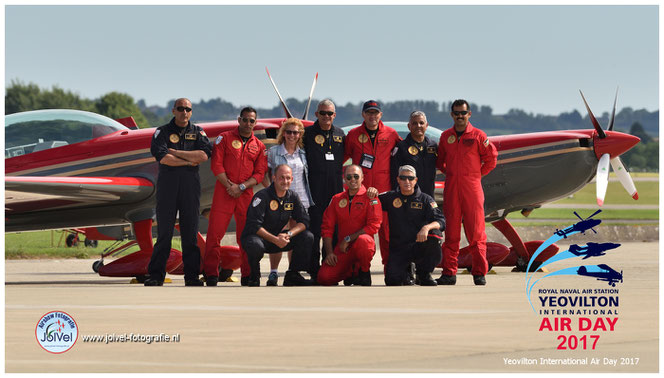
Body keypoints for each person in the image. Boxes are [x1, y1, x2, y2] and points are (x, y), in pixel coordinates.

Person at [146, 98, 212, 286]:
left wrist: (176, 153)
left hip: (190, 186)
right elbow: (164, 158)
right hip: (168, 185)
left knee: (190, 233)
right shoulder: (162, 132)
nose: (185, 112)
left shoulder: (198, 132)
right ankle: (156, 276)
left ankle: (191, 277)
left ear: (191, 112)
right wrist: (189, 160)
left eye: (188, 109)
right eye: (181, 109)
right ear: (173, 110)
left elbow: (204, 155)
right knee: (164, 233)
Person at [203, 107, 268, 287]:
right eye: (245, 120)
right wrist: (229, 186)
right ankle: (211, 274)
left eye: (252, 121)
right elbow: (216, 166)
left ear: (255, 123)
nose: (248, 124)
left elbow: (260, 174)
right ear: (239, 120)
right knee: (215, 235)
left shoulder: (259, 146)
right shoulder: (224, 138)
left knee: (246, 237)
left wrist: (241, 187)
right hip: (224, 192)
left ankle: (248, 274)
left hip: (245, 195)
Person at [436, 99, 497, 286]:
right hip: (452, 188)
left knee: (476, 233)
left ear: (469, 114)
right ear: (451, 115)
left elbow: (491, 159)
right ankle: (449, 273)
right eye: (456, 113)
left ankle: (479, 273)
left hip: (472, 188)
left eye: (463, 113)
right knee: (452, 234)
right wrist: (453, 174)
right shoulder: (446, 137)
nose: (460, 116)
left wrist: (475, 175)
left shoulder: (478, 135)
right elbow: (441, 162)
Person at [344, 100, 401, 267]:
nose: (372, 116)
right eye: (369, 112)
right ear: (363, 114)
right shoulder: (353, 135)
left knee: (387, 234)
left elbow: (403, 154)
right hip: (360, 192)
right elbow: (342, 159)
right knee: (359, 234)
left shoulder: (391, 134)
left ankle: (390, 270)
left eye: (375, 113)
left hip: (384, 193)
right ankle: (358, 271)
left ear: (380, 115)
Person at [241, 164, 314, 286]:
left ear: (292, 179)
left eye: (288, 178)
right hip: (259, 239)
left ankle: (293, 274)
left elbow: (304, 221)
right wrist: (275, 240)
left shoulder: (292, 196)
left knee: (307, 236)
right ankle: (254, 276)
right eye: (281, 178)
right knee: (254, 244)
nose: (285, 181)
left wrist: (289, 234)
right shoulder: (262, 196)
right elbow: (254, 225)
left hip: (279, 239)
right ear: (274, 178)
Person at [264, 118, 313, 286]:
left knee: (295, 237)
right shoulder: (273, 151)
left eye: (296, 132)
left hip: (301, 199)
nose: (292, 135)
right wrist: (270, 192)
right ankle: (273, 272)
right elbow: (265, 172)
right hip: (279, 199)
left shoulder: (304, 153)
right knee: (278, 234)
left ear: (300, 135)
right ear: (283, 133)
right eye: (289, 132)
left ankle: (293, 272)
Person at [317, 165, 382, 286]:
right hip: (343, 249)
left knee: (364, 241)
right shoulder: (336, 199)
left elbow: (374, 226)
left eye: (356, 176)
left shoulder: (371, 197)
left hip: (361, 247)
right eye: (349, 177)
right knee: (324, 278)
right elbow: (327, 227)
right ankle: (350, 273)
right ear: (344, 179)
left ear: (362, 177)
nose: (352, 179)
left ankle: (363, 272)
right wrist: (330, 253)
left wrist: (349, 239)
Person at [379, 165, 444, 286]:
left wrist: (426, 227)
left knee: (435, 235)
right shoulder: (390, 197)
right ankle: (407, 270)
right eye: (403, 178)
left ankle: (424, 273)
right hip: (399, 248)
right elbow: (371, 201)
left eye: (410, 178)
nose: (407, 181)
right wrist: (371, 193)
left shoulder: (425, 199)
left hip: (418, 245)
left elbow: (440, 221)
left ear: (416, 180)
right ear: (398, 180)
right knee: (392, 281)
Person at [302, 99, 346, 282]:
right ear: (316, 114)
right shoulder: (307, 134)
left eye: (330, 113)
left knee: (334, 231)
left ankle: (331, 269)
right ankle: (313, 270)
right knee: (315, 231)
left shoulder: (340, 134)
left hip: (335, 191)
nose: (326, 117)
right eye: (323, 113)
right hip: (314, 191)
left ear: (334, 115)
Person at [390, 111, 438, 197]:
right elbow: (394, 174)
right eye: (415, 123)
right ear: (409, 126)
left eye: (421, 123)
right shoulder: (401, 147)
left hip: (429, 194)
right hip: (408, 196)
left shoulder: (433, 146)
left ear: (426, 126)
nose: (418, 126)